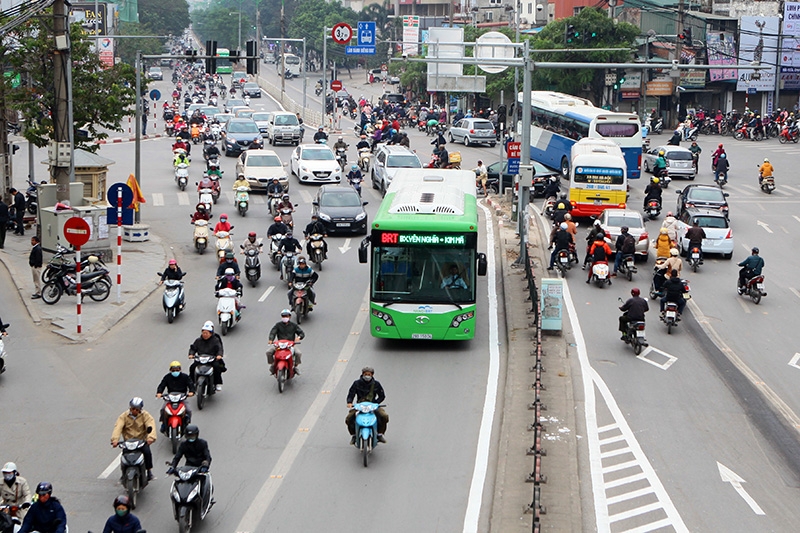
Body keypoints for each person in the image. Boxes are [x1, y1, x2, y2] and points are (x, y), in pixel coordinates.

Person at [110, 398, 157, 481]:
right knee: (124, 455)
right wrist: (115, 439)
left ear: (140, 410)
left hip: (141, 441)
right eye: (132, 409)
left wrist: (151, 437)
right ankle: (123, 474)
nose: (134, 411)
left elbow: (150, 425)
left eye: (136, 409)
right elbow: (118, 427)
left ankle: (149, 472)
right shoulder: (124, 416)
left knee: (147, 453)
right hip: (128, 442)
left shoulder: (145, 415)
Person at [167, 425, 213, 503]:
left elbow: (208, 457)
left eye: (193, 436)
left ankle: (203, 501)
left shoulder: (203, 443)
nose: (191, 438)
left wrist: (206, 465)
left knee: (204, 485)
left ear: (197, 435)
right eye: (189, 436)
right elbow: (177, 457)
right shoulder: (183, 445)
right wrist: (173, 466)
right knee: (183, 482)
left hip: (200, 467)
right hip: (189, 467)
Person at [346, 367, 389, 444]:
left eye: (369, 374)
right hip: (360, 406)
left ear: (372, 375)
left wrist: (376, 403)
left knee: (384, 416)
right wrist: (349, 402)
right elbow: (351, 393)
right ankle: (354, 435)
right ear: (362, 374)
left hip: (372, 406)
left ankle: (380, 434)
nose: (367, 376)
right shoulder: (356, 383)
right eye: (365, 374)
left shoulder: (376, 384)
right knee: (349, 418)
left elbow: (382, 396)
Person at [156, 361, 195, 432]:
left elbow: (190, 384)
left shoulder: (185, 377)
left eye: (177, 370)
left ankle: (186, 422)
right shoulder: (167, 377)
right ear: (170, 370)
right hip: (170, 397)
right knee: (163, 409)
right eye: (173, 370)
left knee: (188, 410)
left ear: (180, 369)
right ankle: (164, 423)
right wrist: (159, 392)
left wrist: (191, 392)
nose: (175, 371)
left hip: (182, 396)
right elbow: (162, 385)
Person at [265, 309, 305, 374]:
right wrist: (271, 339)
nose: (285, 318)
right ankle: (273, 364)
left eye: (286, 316)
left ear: (289, 317)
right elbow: (273, 332)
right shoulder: (278, 325)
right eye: (283, 316)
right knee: (268, 352)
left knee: (298, 353)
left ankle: (295, 366)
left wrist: (299, 337)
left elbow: (301, 333)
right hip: (280, 344)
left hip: (290, 345)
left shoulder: (294, 325)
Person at [188, 321, 225, 392]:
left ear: (211, 333)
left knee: (217, 367)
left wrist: (219, 355)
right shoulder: (198, 341)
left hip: (211, 359)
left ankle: (217, 383)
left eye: (206, 333)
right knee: (192, 367)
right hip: (200, 359)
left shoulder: (215, 340)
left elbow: (219, 348)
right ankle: (192, 383)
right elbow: (193, 348)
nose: (205, 334)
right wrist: (191, 354)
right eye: (203, 333)